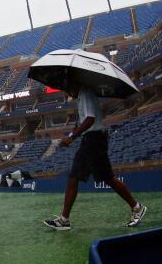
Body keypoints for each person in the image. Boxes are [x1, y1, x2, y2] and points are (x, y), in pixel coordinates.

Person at [44, 83, 146, 231]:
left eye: (68, 88)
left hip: (95, 140)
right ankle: (64, 220)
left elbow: (90, 119)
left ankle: (137, 208)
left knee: (108, 178)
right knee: (73, 177)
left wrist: (72, 137)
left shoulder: (85, 92)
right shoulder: (81, 96)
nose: (67, 91)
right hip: (88, 140)